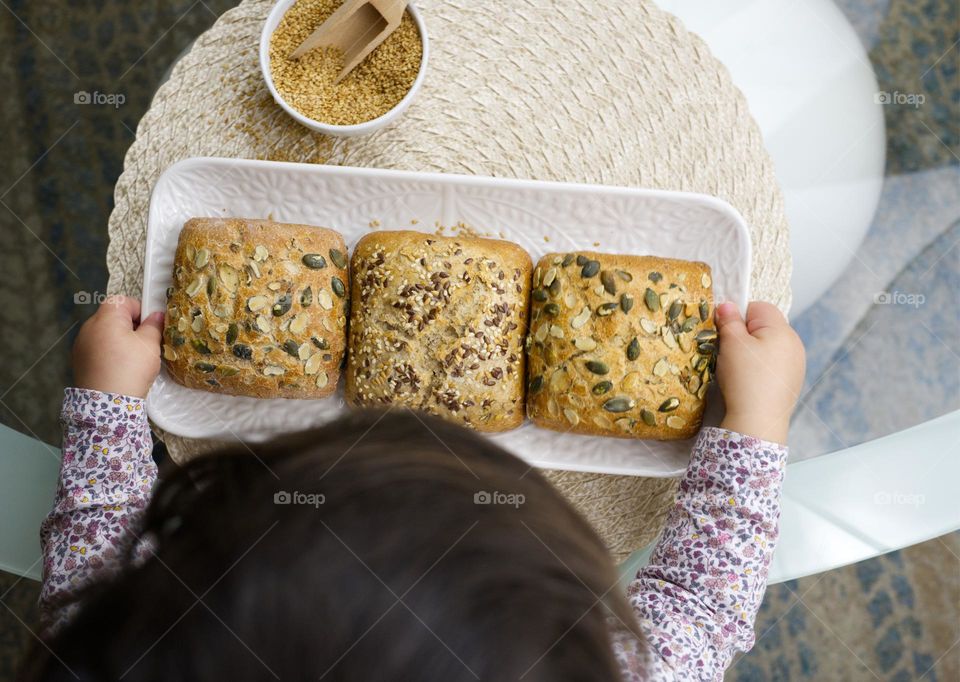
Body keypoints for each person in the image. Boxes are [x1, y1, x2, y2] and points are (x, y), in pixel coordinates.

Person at [24, 294, 804, 681]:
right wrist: (757, 418)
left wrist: (109, 402)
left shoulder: (119, 643)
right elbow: (705, 600)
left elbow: (93, 545)